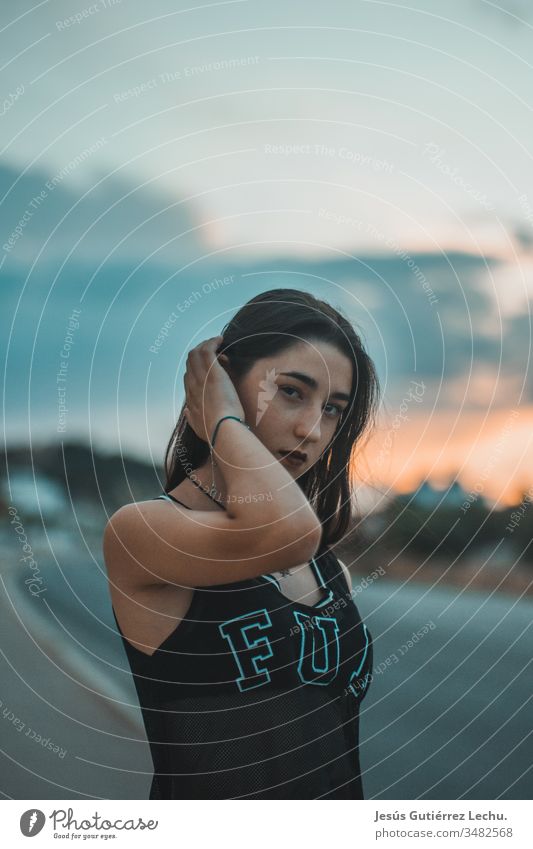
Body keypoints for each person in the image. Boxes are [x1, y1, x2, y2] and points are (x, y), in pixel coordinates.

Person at [103, 288, 380, 799]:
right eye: (292, 391)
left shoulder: (322, 565)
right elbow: (286, 532)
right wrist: (223, 419)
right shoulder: (143, 531)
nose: (312, 429)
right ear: (221, 385)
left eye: (334, 409)